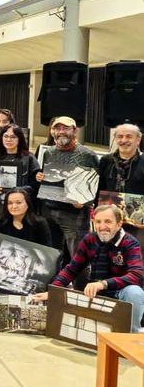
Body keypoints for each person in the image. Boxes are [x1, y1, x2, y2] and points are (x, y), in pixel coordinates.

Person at [33, 205, 144, 333]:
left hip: (120, 291)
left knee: (135, 292)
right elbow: (71, 269)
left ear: (119, 224)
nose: (102, 226)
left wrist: (103, 284)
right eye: (98, 222)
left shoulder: (130, 242)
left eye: (108, 221)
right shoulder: (89, 239)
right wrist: (54, 291)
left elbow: (137, 274)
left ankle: (131, 335)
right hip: (95, 292)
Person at [36, 116, 100, 287]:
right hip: (48, 211)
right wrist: (39, 176)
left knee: (79, 259)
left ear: (75, 130)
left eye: (66, 128)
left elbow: (97, 184)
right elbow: (43, 178)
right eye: (57, 128)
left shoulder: (88, 155)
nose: (61, 132)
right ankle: (53, 293)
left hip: (75, 216)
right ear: (52, 131)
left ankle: (81, 296)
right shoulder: (47, 152)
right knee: (51, 256)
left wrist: (87, 200)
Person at [0, 125, 41, 227]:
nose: (8, 139)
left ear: (20, 139)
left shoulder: (29, 158)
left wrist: (20, 191)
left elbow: (35, 184)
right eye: (5, 136)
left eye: (13, 137)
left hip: (21, 213)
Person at [99, 124, 144, 194]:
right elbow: (100, 188)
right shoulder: (106, 160)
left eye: (129, 137)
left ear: (138, 140)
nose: (124, 140)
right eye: (120, 137)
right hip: (108, 205)